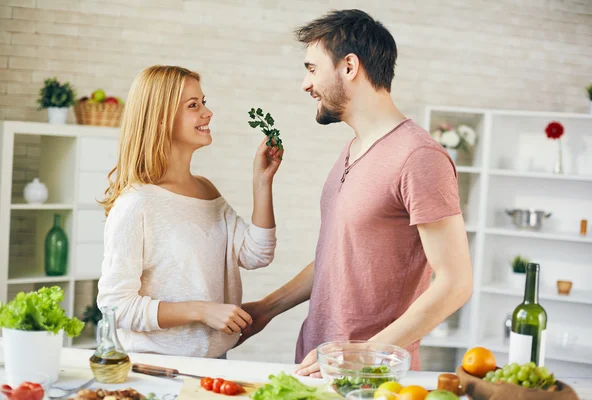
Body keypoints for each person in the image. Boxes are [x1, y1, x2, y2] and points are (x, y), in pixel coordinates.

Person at [238, 9, 473, 375]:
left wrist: (362, 354)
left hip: (371, 377)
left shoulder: (420, 157)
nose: (305, 83)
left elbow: (456, 284)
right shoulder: (353, 149)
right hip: (315, 363)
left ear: (349, 66)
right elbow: (341, 255)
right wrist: (266, 308)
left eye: (312, 69)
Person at [97, 65, 283, 358]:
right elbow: (115, 305)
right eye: (193, 106)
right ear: (160, 120)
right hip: (158, 369)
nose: (207, 113)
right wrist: (201, 311)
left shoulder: (206, 190)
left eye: (203, 102)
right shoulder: (136, 204)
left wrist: (262, 181)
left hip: (214, 362)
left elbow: (256, 254)